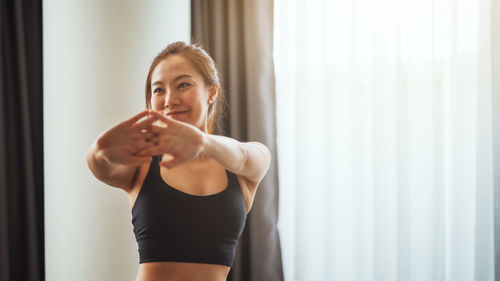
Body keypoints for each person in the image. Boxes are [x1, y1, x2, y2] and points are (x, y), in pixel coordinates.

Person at [86, 42, 271, 281]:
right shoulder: (142, 163)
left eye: (183, 85)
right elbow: (102, 165)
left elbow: (247, 156)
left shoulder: (241, 166)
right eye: (158, 90)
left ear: (211, 92)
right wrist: (98, 150)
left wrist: (202, 142)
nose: (169, 100)